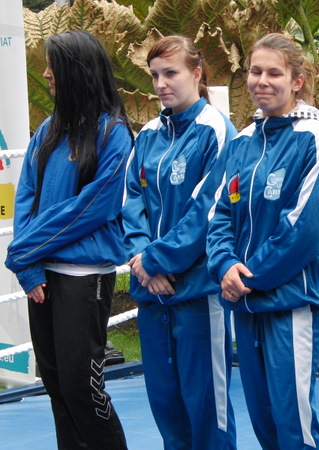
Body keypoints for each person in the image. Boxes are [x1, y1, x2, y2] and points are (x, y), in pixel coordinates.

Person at [206, 32, 319, 449]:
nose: (261, 81)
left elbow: (304, 229)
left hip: (290, 302)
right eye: (255, 71)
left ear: (297, 81)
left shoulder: (315, 137)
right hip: (246, 303)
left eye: (274, 73)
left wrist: (246, 276)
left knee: (294, 424)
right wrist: (224, 264)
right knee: (264, 422)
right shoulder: (242, 142)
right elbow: (219, 213)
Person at [4, 30, 132, 449]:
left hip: (84, 278)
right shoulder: (47, 130)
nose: (46, 75)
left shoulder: (113, 134)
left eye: (53, 68)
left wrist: (24, 250)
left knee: (83, 389)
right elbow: (26, 198)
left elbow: (93, 207)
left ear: (78, 72)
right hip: (42, 277)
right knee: (57, 386)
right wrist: (28, 264)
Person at [122, 35, 237, 449]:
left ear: (197, 73)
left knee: (207, 407)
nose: (161, 84)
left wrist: (155, 260)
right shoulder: (148, 134)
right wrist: (142, 260)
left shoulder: (217, 131)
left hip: (197, 293)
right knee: (165, 403)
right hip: (152, 293)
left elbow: (208, 211)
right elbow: (130, 203)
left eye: (171, 73)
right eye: (155, 75)